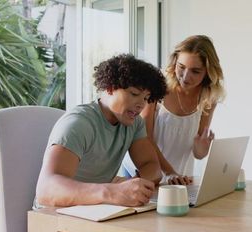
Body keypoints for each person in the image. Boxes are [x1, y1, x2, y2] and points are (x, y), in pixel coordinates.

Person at [35, 54, 167, 208]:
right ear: (110, 88)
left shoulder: (134, 124)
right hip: (55, 217)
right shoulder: (79, 124)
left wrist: (132, 184)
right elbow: (46, 190)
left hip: (96, 211)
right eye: (134, 94)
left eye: (146, 98)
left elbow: (152, 166)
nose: (141, 105)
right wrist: (110, 191)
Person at [122, 35, 226, 185]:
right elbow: (146, 138)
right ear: (174, 62)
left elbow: (198, 154)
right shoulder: (158, 87)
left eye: (195, 71)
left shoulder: (208, 98)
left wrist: (202, 149)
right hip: (144, 171)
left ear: (208, 72)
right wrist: (169, 172)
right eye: (181, 67)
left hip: (179, 177)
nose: (185, 77)